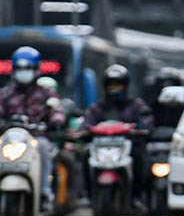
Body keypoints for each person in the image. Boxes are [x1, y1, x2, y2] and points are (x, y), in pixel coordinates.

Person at [0, 47, 67, 202]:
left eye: (28, 68)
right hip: (10, 138)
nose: (24, 72)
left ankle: (44, 192)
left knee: (43, 147)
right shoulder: (5, 93)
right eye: (20, 69)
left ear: (36, 70)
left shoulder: (46, 93)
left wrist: (56, 120)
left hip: (37, 137)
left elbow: (57, 110)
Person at [83, 65, 155, 204]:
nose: (114, 88)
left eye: (118, 84)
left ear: (125, 86)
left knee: (140, 157)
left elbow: (146, 121)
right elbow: (87, 122)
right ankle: (89, 195)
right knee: (85, 156)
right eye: (111, 85)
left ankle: (137, 196)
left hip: (128, 147)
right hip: (101, 148)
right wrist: (83, 130)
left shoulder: (136, 105)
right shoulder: (98, 107)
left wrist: (143, 128)